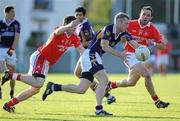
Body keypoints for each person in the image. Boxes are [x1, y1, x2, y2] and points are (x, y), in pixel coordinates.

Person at [42, 12, 138, 116]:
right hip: (91, 54)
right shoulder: (108, 29)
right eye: (126, 23)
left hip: (91, 56)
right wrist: (120, 55)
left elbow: (135, 45)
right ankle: (99, 109)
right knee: (104, 80)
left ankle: (53, 87)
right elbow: (104, 46)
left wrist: (144, 49)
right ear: (118, 22)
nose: (127, 25)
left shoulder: (124, 33)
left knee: (81, 89)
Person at [1, 16, 84, 112]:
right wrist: (69, 25)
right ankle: (10, 75)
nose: (75, 28)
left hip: (46, 62)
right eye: (73, 26)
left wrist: (89, 59)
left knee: (35, 89)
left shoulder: (74, 37)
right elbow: (58, 31)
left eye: (75, 26)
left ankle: (9, 104)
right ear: (66, 25)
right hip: (41, 57)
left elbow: (82, 51)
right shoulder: (59, 30)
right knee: (39, 83)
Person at [107, 6, 170, 109]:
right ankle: (157, 101)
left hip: (141, 57)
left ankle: (109, 85)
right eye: (144, 14)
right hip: (129, 54)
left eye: (148, 15)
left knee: (131, 82)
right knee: (147, 75)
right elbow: (119, 34)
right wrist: (122, 39)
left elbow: (163, 46)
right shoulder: (130, 24)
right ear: (140, 14)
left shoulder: (152, 29)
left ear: (151, 17)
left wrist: (152, 43)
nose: (145, 16)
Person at [74, 7, 116, 104]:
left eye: (80, 15)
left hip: (88, 54)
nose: (78, 17)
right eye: (76, 15)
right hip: (85, 54)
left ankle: (105, 95)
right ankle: (107, 95)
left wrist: (74, 43)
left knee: (88, 78)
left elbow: (88, 42)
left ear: (84, 16)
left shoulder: (84, 26)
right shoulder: (80, 25)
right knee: (78, 74)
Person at [0, 6, 20, 99]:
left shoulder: (16, 24)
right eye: (12, 12)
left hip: (11, 49)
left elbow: (16, 39)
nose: (14, 13)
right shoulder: (0, 23)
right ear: (6, 13)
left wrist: (11, 51)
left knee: (12, 73)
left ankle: (11, 91)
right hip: (1, 48)